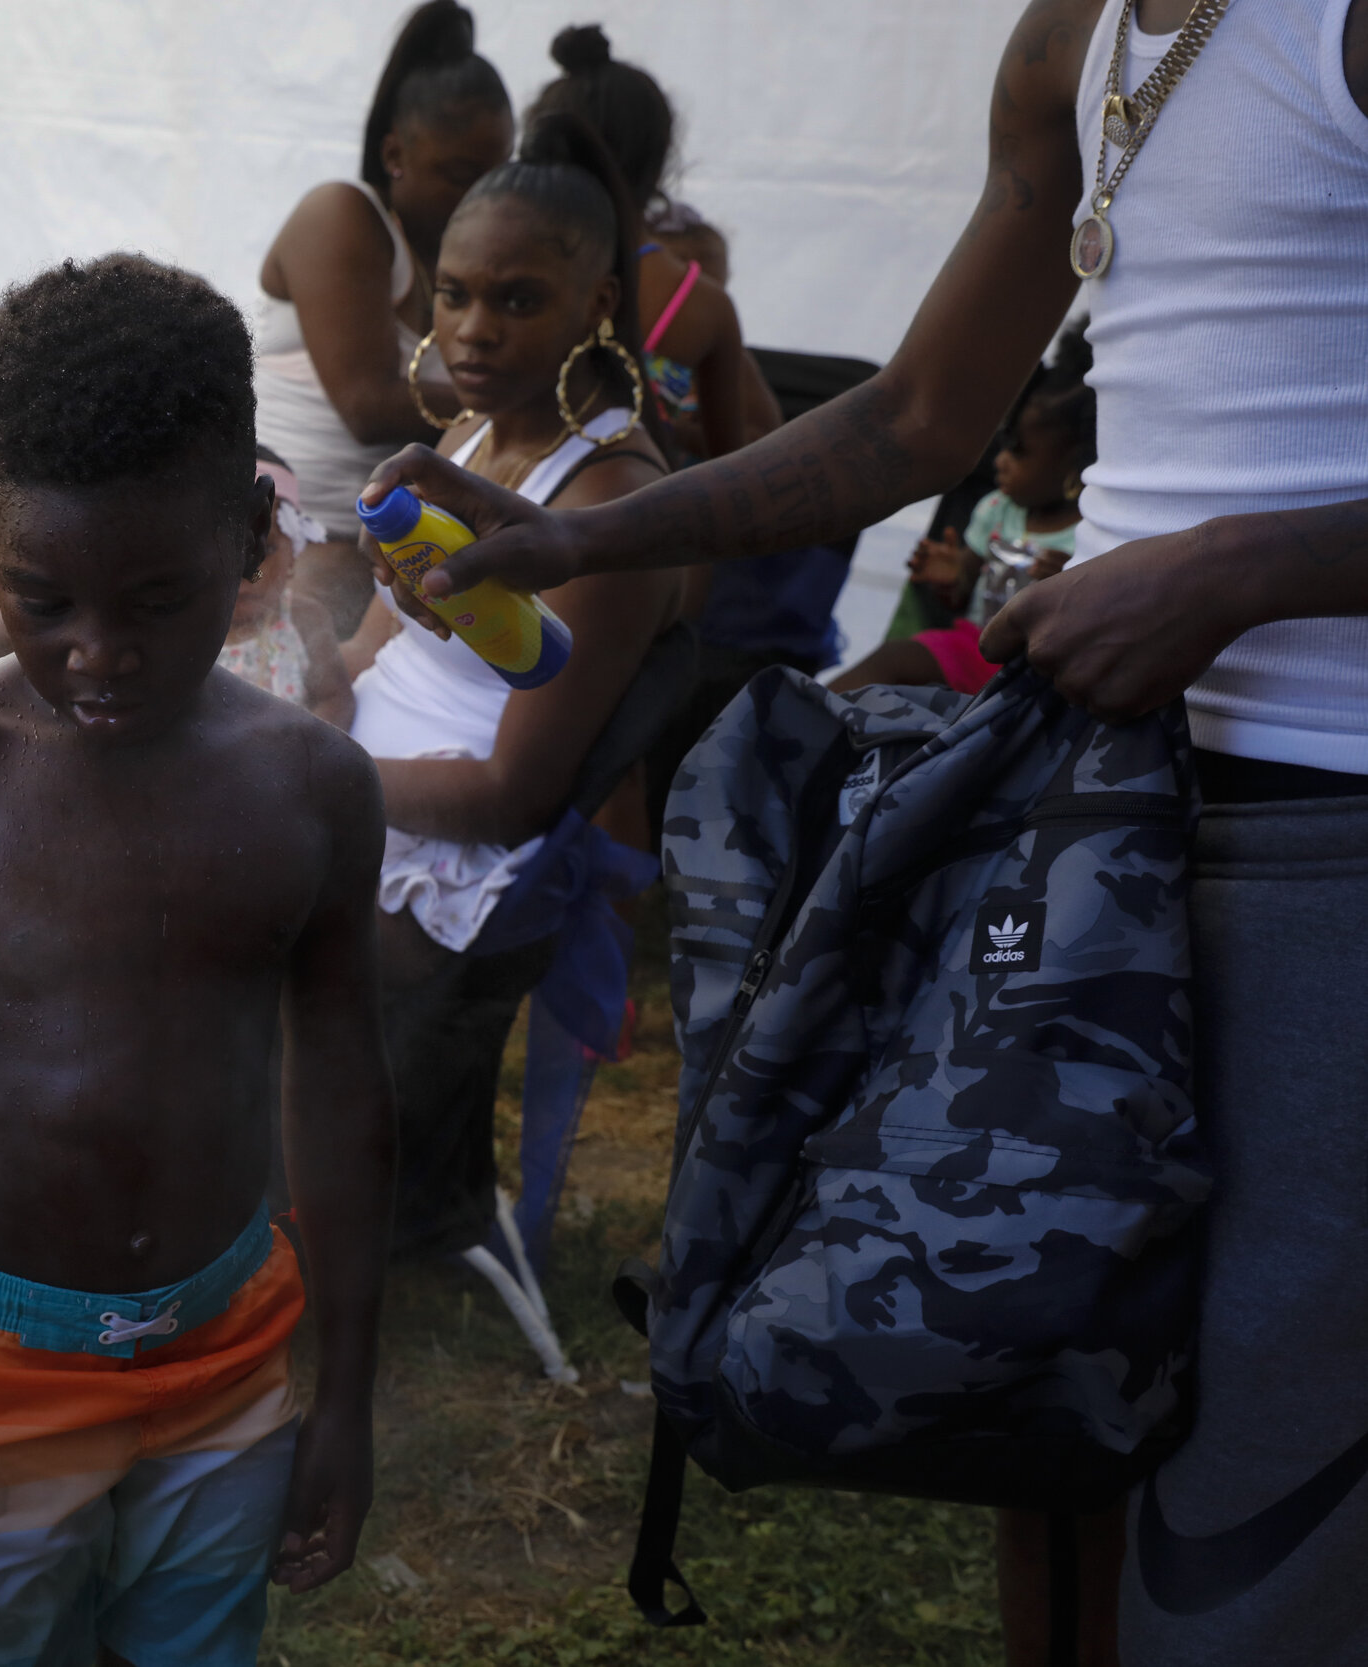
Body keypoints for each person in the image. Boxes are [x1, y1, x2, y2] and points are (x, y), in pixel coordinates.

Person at [365, 1, 1368, 1659]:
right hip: (1089, 809)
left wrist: (1234, 572)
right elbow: (911, 419)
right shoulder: (1078, 44)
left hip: (1326, 845)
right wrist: (566, 548)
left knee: (1267, 1512)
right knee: (1045, 1380)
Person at [0, 253, 393, 1661]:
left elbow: (344, 1095)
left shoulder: (310, 789)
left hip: (231, 1348)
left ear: (250, 533)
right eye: (43, 600)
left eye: (156, 600)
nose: (100, 652)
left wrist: (343, 1396)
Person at [342, 112, 682, 1259]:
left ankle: (277, 1220)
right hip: (367, 783)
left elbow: (507, 796)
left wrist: (309, 774)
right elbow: (360, 656)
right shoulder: (469, 442)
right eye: (451, 294)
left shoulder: (602, 505)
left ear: (594, 305)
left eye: (516, 300)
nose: (472, 330)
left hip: (457, 858)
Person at [253, 0, 513, 632]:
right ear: (395, 155)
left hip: (357, 532)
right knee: (282, 644)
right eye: (459, 175)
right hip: (264, 516)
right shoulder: (341, 213)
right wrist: (513, 401)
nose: (481, 198)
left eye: (497, 177)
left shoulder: (451, 264)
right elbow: (367, 405)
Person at [0, 446, 356, 727]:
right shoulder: (164, 635)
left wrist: (300, 746)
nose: (242, 576)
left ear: (291, 553)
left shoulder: (303, 620)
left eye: (263, 554)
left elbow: (334, 695)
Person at [528, 24, 782, 467]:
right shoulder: (698, 302)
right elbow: (740, 468)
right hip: (649, 523)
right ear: (660, 155)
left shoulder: (505, 275)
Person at [835, 335, 1094, 695]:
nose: (1000, 461)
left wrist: (1073, 579)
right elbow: (963, 595)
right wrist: (951, 580)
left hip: (1048, 675)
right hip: (978, 652)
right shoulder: (995, 509)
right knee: (896, 659)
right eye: (1003, 445)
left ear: (1075, 465)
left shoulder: (1093, 532)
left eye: (1018, 452)